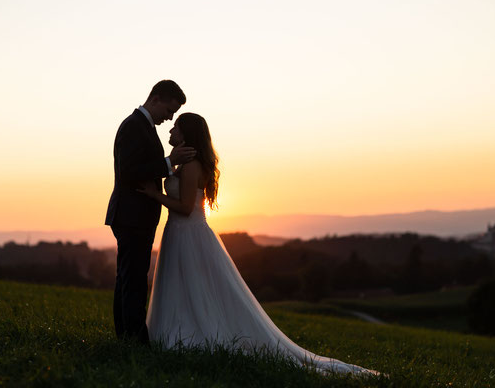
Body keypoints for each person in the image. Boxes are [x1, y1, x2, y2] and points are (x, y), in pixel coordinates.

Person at [138, 113, 383, 377]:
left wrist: (156, 195)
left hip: (188, 233)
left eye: (176, 127)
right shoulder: (184, 164)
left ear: (186, 133)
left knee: (194, 287)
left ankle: (192, 334)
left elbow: (186, 208)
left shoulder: (193, 166)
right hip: (179, 232)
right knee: (181, 286)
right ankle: (176, 330)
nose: (171, 130)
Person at [105, 80, 196, 345]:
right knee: (133, 280)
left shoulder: (142, 127)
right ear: (156, 99)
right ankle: (135, 340)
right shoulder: (133, 126)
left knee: (128, 278)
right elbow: (129, 172)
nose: (170, 117)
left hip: (135, 215)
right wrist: (170, 162)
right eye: (170, 109)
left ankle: (127, 337)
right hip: (132, 214)